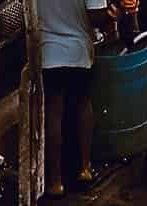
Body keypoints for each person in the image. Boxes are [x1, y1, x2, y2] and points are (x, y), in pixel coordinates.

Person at [37, 0, 112, 195]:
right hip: (78, 50)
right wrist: (115, 13)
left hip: (48, 51)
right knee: (83, 103)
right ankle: (84, 168)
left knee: (53, 114)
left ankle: (54, 182)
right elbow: (96, 16)